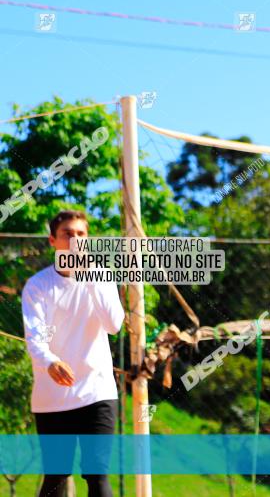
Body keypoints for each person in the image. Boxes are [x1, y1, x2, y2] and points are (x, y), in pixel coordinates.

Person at [22, 210, 124, 497]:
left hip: (97, 391)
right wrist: (50, 362)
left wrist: (89, 272)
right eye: (68, 234)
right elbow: (35, 337)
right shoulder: (38, 286)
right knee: (56, 476)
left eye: (81, 234)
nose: (75, 240)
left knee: (97, 474)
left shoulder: (101, 276)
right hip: (52, 397)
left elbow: (114, 325)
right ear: (53, 240)